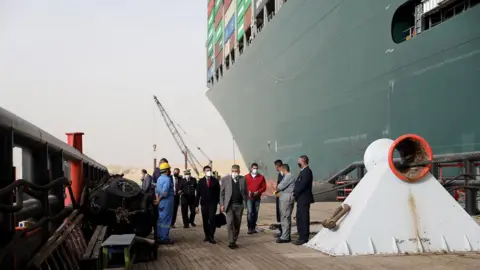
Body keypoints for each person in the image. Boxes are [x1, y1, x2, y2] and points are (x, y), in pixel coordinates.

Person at [220, 164, 248, 249]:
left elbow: (245, 192)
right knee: (230, 223)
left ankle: (234, 240)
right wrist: (222, 204)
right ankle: (231, 241)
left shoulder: (243, 179)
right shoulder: (225, 179)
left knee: (237, 224)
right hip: (229, 205)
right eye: (233, 171)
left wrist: (245, 203)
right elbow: (222, 193)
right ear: (231, 171)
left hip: (239, 205)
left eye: (236, 171)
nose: (234, 173)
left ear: (239, 172)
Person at [292, 155, 314, 245]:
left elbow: (303, 185)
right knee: (299, 218)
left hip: (304, 198)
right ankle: (300, 236)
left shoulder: (307, 172)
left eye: (299, 161)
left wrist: (294, 193)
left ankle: (304, 238)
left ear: (303, 161)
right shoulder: (303, 171)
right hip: (300, 199)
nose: (298, 163)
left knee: (304, 218)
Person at [196, 165, 220, 244]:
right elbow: (198, 194)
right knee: (205, 220)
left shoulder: (215, 181)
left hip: (213, 203)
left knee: (212, 219)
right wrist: (196, 206)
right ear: (204, 172)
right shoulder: (200, 181)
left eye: (210, 170)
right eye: (207, 170)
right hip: (204, 203)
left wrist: (221, 204)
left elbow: (218, 193)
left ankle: (211, 236)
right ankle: (206, 235)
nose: (208, 172)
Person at [155, 162, 175, 244]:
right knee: (166, 221)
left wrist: (157, 200)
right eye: (169, 169)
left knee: (160, 219)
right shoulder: (167, 179)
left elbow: (157, 190)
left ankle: (159, 235)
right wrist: (159, 199)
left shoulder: (159, 178)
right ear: (167, 170)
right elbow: (165, 193)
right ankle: (164, 238)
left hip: (161, 203)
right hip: (167, 203)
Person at [276, 164, 296, 243]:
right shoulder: (289, 176)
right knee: (285, 217)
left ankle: (285, 237)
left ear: (283, 170)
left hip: (286, 199)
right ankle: (286, 235)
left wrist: (278, 185)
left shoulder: (288, 176)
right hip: (286, 198)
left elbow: (280, 186)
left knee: (285, 217)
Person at [245, 162, 267, 234]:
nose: (255, 170)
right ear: (251, 168)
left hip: (257, 198)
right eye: (254, 168)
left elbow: (264, 187)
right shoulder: (246, 177)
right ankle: (249, 228)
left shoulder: (261, 177)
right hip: (249, 198)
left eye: (256, 168)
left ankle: (253, 227)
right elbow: (243, 187)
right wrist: (248, 192)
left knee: (255, 213)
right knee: (250, 212)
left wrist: (258, 192)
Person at [274, 159, 284, 237]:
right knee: (279, 214)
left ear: (278, 166)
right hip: (279, 196)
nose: (275, 168)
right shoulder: (279, 174)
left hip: (283, 197)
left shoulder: (284, 174)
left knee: (283, 214)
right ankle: (281, 231)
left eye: (276, 167)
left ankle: (284, 232)